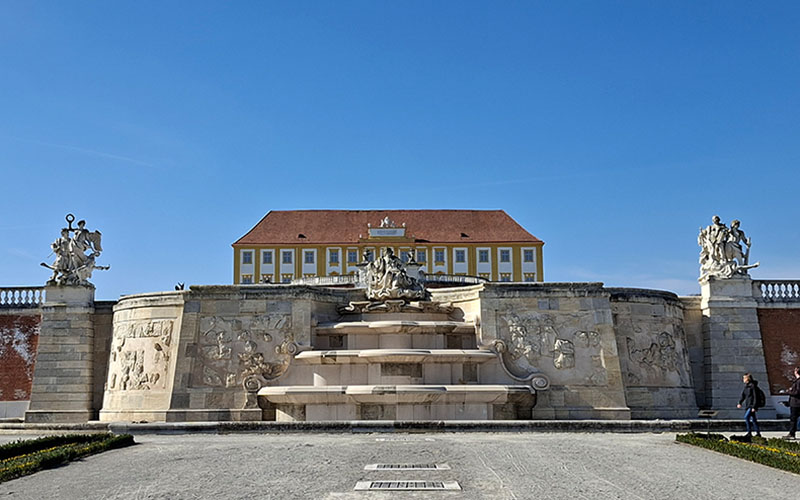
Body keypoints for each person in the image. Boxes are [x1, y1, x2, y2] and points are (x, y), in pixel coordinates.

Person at [737, 373, 762, 438]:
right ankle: (758, 433)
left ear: (747, 379)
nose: (743, 379)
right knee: (754, 420)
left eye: (744, 378)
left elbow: (755, 397)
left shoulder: (753, 386)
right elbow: (743, 396)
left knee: (746, 417)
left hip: (752, 406)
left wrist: (754, 406)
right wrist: (740, 402)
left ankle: (749, 432)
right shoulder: (746, 387)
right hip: (748, 405)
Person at [784, 367, 800, 439]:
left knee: (793, 419)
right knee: (794, 419)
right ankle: (792, 433)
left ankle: (792, 434)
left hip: (796, 403)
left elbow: (797, 392)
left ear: (796, 372)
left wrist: (789, 391)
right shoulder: (797, 381)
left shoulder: (798, 381)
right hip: (795, 403)